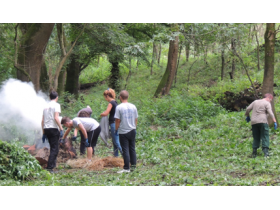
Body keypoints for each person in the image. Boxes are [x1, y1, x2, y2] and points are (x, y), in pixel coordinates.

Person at [245, 93, 277, 158]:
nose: (270, 101)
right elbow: (270, 112)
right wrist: (274, 121)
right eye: (270, 100)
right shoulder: (267, 103)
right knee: (265, 136)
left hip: (254, 122)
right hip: (263, 121)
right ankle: (266, 153)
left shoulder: (255, 102)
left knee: (256, 136)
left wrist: (248, 116)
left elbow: (248, 109)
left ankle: (254, 152)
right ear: (268, 97)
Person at [115, 90, 138, 173]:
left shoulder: (119, 107)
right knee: (132, 148)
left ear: (120, 97)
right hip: (132, 130)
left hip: (123, 131)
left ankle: (126, 168)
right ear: (127, 97)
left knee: (125, 150)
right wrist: (134, 127)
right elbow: (136, 119)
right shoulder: (133, 106)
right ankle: (134, 166)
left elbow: (117, 120)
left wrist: (116, 129)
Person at [41, 91, 64, 173]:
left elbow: (42, 120)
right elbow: (56, 118)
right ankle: (49, 168)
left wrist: (43, 132)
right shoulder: (56, 105)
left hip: (46, 129)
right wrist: (61, 128)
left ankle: (52, 166)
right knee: (55, 149)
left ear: (49, 97)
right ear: (57, 97)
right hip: (53, 129)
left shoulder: (45, 106)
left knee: (52, 147)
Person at [100, 88, 123, 157]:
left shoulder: (111, 103)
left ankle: (125, 156)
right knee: (114, 141)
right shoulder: (115, 102)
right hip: (117, 123)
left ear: (107, 96)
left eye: (105, 97)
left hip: (113, 123)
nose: (105, 99)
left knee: (116, 141)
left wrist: (101, 114)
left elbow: (106, 113)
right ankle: (116, 157)